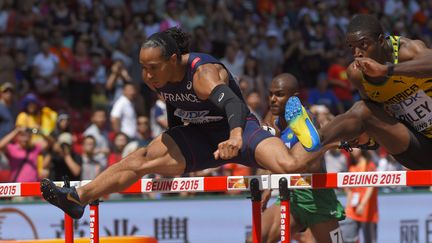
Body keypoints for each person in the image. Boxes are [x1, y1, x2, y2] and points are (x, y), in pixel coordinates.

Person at [40, 27, 325, 219]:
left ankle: (323, 131)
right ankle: (78, 198)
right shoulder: (157, 79)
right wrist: (174, 141)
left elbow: (234, 105)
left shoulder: (203, 74)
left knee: (290, 165)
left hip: (239, 128)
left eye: (153, 68)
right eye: (142, 68)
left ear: (174, 60)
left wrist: (236, 136)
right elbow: (175, 103)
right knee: (141, 157)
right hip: (201, 136)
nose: (147, 75)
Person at [317, 14, 432, 170]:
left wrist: (386, 70)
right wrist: (366, 139)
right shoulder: (357, 74)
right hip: (417, 147)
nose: (357, 53)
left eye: (363, 44)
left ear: (380, 41)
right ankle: (317, 138)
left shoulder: (409, 50)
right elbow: (375, 116)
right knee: (362, 109)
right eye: (351, 46)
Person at [251, 74, 345, 243]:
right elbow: (270, 156)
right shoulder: (272, 119)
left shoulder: (307, 121)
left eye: (279, 94)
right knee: (256, 239)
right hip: (291, 196)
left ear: (294, 98)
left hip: (317, 198)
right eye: (270, 94)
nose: (272, 99)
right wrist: (268, 187)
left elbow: (313, 164)